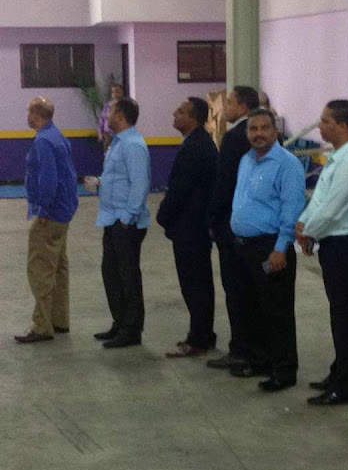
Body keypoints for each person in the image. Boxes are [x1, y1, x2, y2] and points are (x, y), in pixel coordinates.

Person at [297, 100, 348, 405]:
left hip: (345, 246)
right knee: (338, 314)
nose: (320, 126)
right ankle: (338, 371)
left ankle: (345, 386)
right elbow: (320, 199)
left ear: (342, 126)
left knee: (344, 317)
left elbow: (333, 208)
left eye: (325, 121)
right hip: (332, 242)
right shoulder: (338, 155)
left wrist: (309, 231)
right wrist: (305, 222)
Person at [229, 108, 305, 392]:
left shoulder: (287, 165)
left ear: (275, 132)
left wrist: (281, 248)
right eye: (253, 129)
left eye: (264, 128)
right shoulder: (246, 160)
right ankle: (261, 360)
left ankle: (284, 370)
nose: (258, 134)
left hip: (270, 248)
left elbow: (291, 208)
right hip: (244, 247)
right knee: (253, 308)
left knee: (277, 312)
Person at [157, 98, 219, 357]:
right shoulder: (198, 142)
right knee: (197, 283)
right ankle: (202, 334)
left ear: (193, 118)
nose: (175, 113)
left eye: (180, 111)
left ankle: (199, 338)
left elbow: (180, 190)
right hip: (193, 227)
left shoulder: (196, 147)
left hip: (192, 228)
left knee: (195, 284)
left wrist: (163, 216)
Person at [15, 97, 78, 344]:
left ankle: (42, 326)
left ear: (35, 114)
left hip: (50, 213)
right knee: (58, 266)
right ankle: (59, 319)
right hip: (64, 211)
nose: (27, 117)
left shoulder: (43, 141)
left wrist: (43, 210)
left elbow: (48, 178)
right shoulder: (57, 136)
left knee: (40, 268)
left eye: (28, 112)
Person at [90, 97, 151, 348]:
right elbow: (118, 178)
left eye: (111, 111)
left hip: (125, 222)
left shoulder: (133, 145)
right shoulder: (117, 143)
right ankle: (120, 322)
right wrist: (99, 182)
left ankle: (132, 330)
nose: (106, 115)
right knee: (111, 273)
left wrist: (128, 218)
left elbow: (140, 184)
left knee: (128, 277)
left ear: (121, 115)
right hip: (111, 218)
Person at [207, 85, 260, 370]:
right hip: (251, 225)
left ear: (242, 107)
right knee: (250, 291)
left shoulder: (234, 138)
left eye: (229, 102)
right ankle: (254, 348)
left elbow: (225, 182)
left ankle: (240, 349)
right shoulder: (259, 140)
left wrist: (213, 218)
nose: (225, 107)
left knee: (237, 291)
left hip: (231, 223)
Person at [97, 84, 125, 152]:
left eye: (117, 91)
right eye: (113, 92)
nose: (115, 94)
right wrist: (100, 133)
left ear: (122, 92)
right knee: (108, 153)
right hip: (107, 134)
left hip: (119, 135)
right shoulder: (107, 105)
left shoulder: (124, 105)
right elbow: (102, 120)